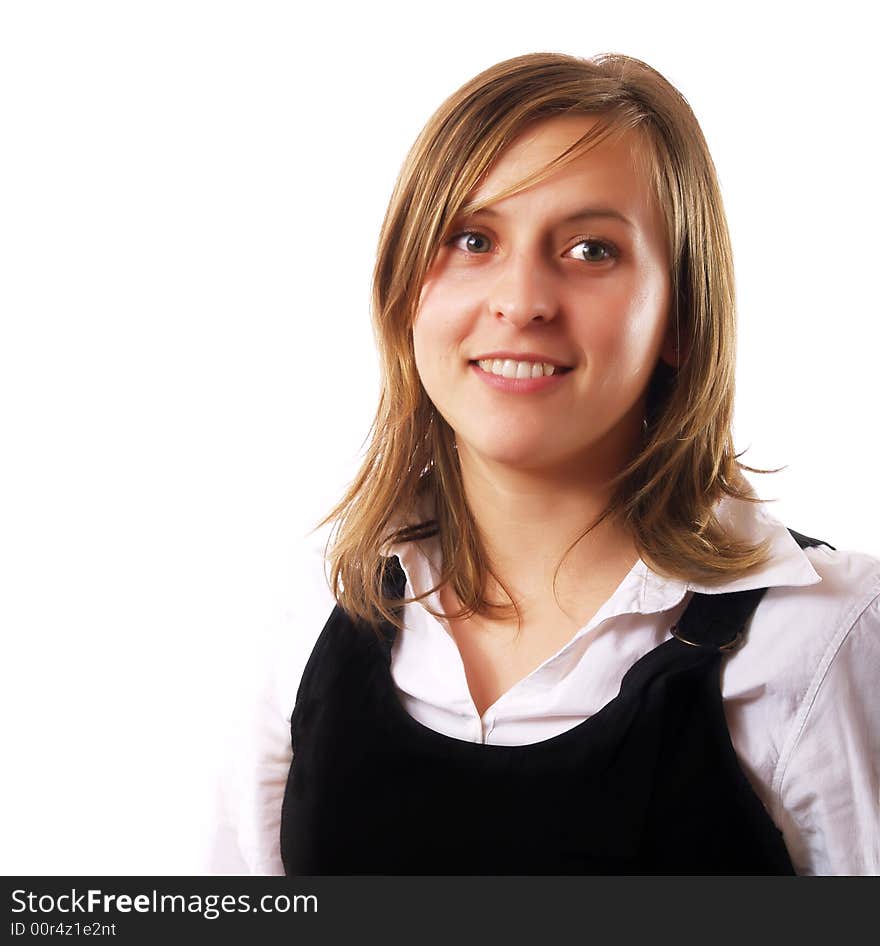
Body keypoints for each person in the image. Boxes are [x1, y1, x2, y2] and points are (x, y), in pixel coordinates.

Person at [206, 51, 880, 875]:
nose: (522, 300)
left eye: (593, 250)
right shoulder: (314, 611)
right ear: (404, 297)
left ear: (680, 317)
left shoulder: (826, 636)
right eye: (472, 239)